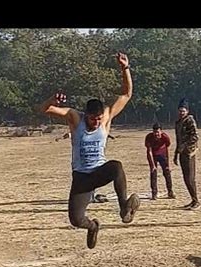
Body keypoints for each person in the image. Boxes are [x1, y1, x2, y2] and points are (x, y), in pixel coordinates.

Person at [39, 52, 140, 249]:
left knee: (116, 167)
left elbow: (127, 94)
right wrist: (52, 99)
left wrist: (125, 68)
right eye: (93, 119)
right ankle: (93, 226)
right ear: (86, 115)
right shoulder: (74, 118)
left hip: (100, 171)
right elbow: (44, 109)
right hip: (81, 177)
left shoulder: (106, 117)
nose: (97, 122)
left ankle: (124, 209)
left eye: (99, 119)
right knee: (75, 219)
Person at [173, 98, 200, 210]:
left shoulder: (190, 120)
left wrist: (185, 147)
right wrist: (176, 154)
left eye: (183, 111)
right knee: (185, 178)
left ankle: (196, 201)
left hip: (189, 153)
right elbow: (178, 140)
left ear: (187, 111)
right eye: (180, 111)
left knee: (190, 178)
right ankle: (193, 199)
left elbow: (195, 136)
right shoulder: (178, 122)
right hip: (181, 153)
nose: (181, 113)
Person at [145, 122, 175, 200]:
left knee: (167, 172)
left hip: (162, 155)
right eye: (155, 132)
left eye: (158, 132)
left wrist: (168, 164)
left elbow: (167, 148)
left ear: (161, 131)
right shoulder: (149, 137)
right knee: (153, 173)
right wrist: (152, 165)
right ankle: (154, 193)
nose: (156, 134)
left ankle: (170, 191)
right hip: (153, 155)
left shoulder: (165, 137)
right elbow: (149, 151)